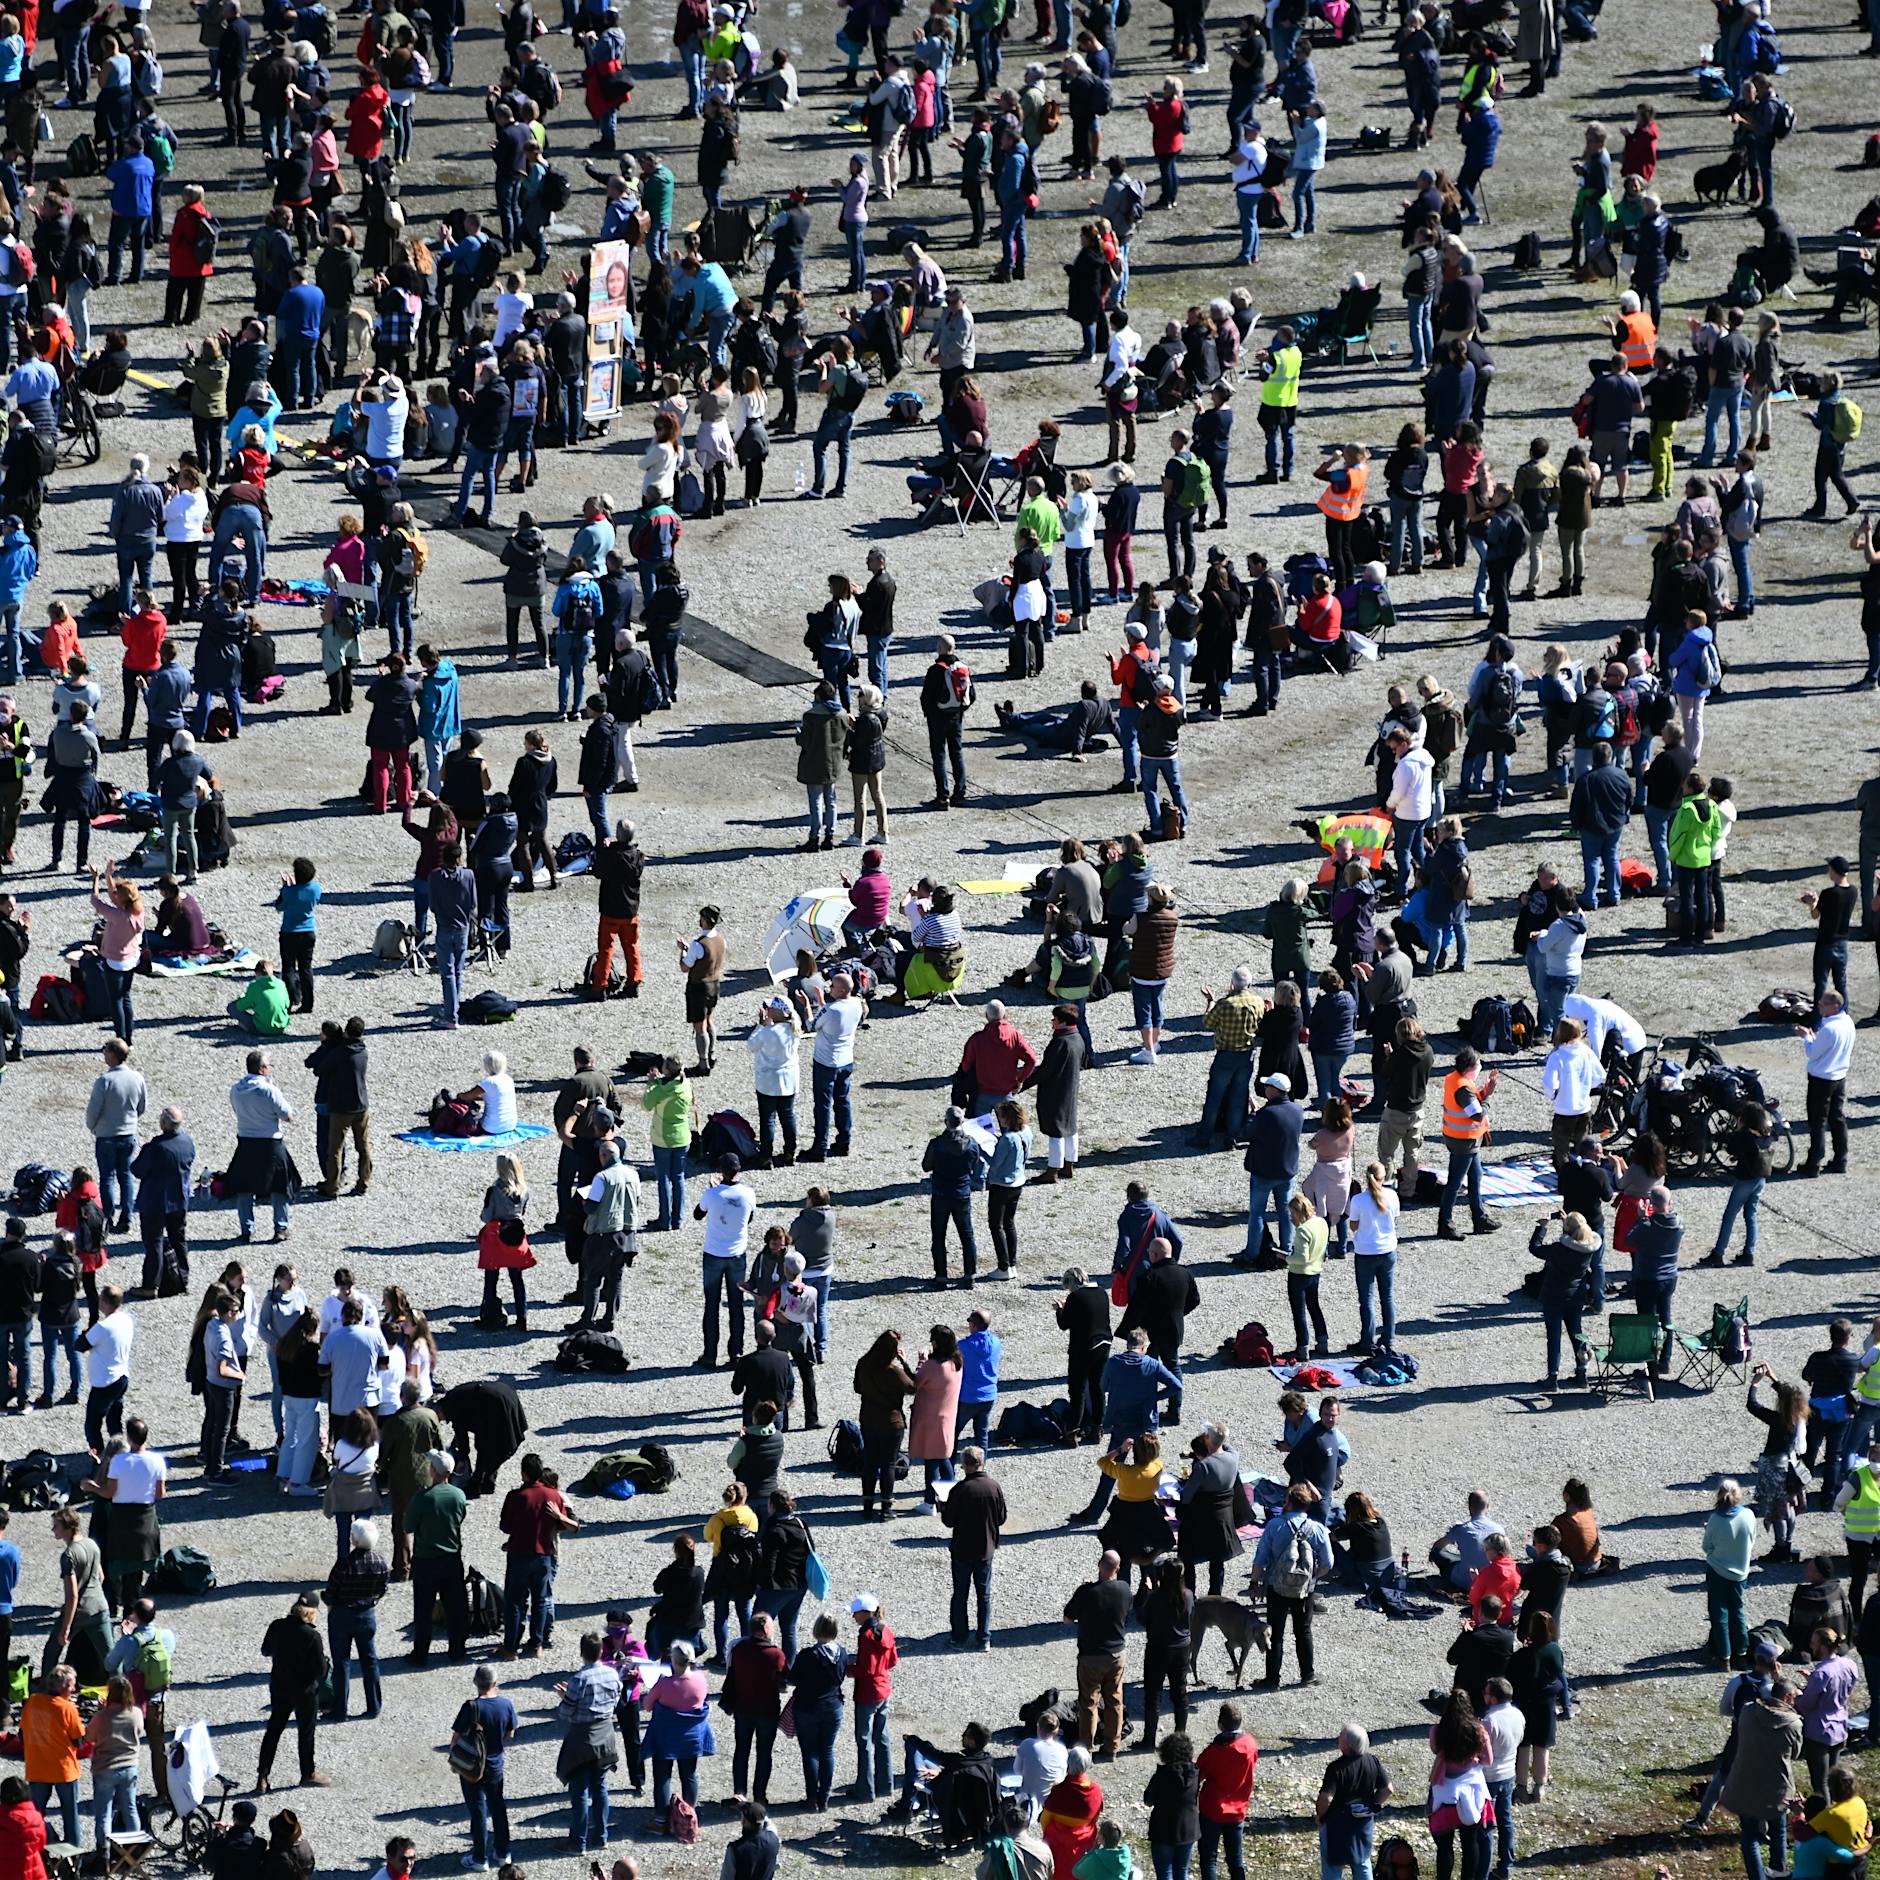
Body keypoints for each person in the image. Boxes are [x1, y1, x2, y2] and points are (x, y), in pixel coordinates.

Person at [1253, 1482, 1332, 1689]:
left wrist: (1254, 1582)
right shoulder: (1317, 1528)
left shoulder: (1274, 1526)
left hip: (1277, 1586)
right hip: (1304, 1590)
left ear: (1288, 1502)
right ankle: (1307, 1675)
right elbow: (1328, 1563)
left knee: (1276, 1633)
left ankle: (1272, 1679)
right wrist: (1312, 1577)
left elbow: (1260, 1559)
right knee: (1303, 1631)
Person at [256, 1595, 331, 1792]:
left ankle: (262, 1776)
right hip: (304, 1690)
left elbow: (266, 1650)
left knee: (274, 1730)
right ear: (311, 1612)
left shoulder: (277, 1626)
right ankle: (307, 1773)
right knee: (306, 1731)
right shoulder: (312, 1636)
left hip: (280, 1685)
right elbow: (320, 1670)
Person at [450, 1664, 517, 1871]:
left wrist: (455, 1761)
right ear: (495, 1683)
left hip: (472, 1767)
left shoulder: (471, 1707)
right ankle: (503, 1853)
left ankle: (479, 1858)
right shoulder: (506, 1704)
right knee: (498, 1807)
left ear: (475, 1682)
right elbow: (510, 1733)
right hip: (495, 1765)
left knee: (478, 1811)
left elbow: (456, 1737)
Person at [322, 1518, 388, 1721]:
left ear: (355, 1540)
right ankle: (374, 1706)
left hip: (342, 1615)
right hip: (366, 1615)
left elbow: (331, 1591)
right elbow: (382, 1589)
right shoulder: (380, 1562)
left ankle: (340, 1710)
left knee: (341, 1663)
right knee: (370, 1661)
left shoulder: (344, 1564)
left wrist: (330, 1603)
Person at [1317, 1724, 1391, 1880]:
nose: (1338, 1738)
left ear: (1347, 1744)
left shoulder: (1336, 1768)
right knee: (1362, 1862)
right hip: (1363, 1822)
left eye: (1341, 1736)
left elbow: (1326, 1799)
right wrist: (1372, 1804)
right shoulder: (1372, 1762)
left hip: (1337, 1825)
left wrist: (1320, 1816)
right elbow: (1387, 1789)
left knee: (1333, 1867)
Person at [1196, 1705, 1258, 1880]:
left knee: (1209, 1859)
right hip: (1238, 1810)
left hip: (1212, 1809)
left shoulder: (1215, 1752)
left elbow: (1198, 1774)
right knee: (1235, 1859)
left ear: (1220, 1724)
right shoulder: (1251, 1744)